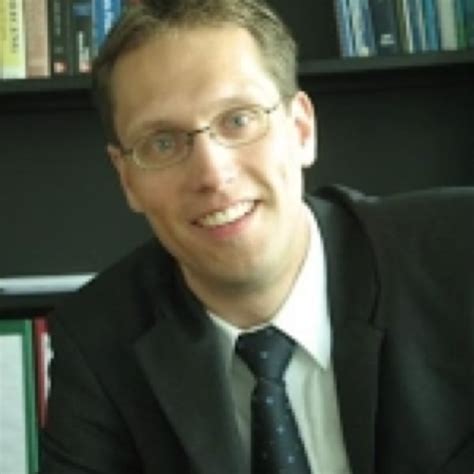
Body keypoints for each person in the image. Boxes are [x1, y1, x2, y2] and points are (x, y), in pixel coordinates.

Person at [39, 0, 474, 473]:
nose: (212, 173)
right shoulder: (97, 342)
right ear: (127, 179)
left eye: (238, 119)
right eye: (162, 142)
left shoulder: (459, 251)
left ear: (301, 130)